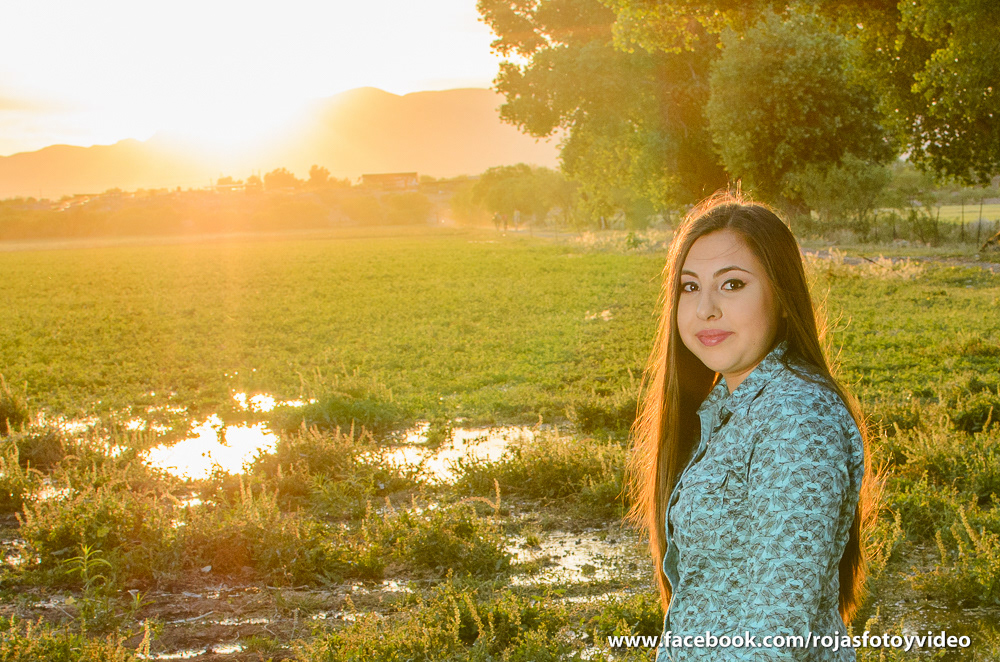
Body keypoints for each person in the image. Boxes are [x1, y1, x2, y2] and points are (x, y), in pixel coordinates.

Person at [627, 191, 874, 661]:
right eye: (690, 287)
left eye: (733, 284)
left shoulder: (797, 418)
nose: (706, 309)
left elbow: (775, 632)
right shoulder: (731, 405)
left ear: (782, 298)